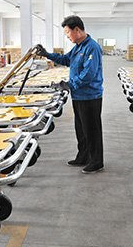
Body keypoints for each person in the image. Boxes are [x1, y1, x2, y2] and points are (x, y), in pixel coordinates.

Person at [35, 15, 104, 174]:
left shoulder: (91, 47)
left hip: (90, 96)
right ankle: (83, 156)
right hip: (78, 95)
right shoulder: (78, 47)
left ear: (77, 30)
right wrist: (47, 54)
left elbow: (89, 74)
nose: (67, 36)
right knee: (81, 129)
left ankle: (96, 161)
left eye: (68, 32)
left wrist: (70, 84)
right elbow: (66, 59)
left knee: (91, 130)